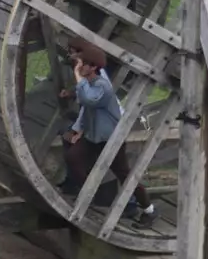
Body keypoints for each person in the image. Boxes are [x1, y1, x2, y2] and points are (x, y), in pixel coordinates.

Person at [60, 44, 154, 225]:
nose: (79, 68)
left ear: (93, 67)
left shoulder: (103, 87)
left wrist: (78, 77)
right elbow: (86, 110)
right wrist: (76, 130)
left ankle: (149, 210)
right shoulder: (89, 84)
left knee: (124, 174)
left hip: (112, 139)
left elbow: (89, 100)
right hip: (93, 137)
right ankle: (90, 195)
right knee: (72, 157)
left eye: (83, 65)